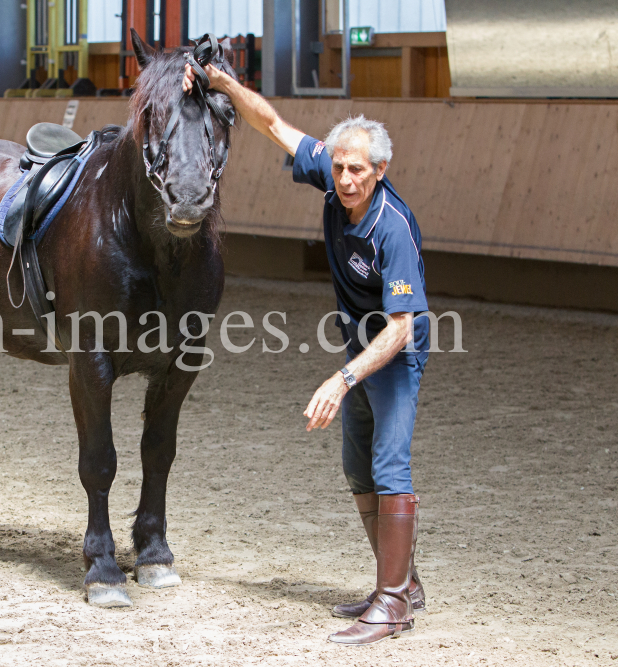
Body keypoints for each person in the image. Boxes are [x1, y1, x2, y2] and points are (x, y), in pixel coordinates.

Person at [183, 63, 430, 645]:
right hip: (356, 354)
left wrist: (342, 378)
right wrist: (223, 85)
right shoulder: (332, 169)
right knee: (356, 469)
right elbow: (273, 125)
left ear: (380, 171)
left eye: (357, 170)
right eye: (339, 167)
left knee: (390, 466)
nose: (344, 179)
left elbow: (401, 328)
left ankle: (394, 604)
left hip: (391, 356)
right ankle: (404, 582)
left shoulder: (393, 229)